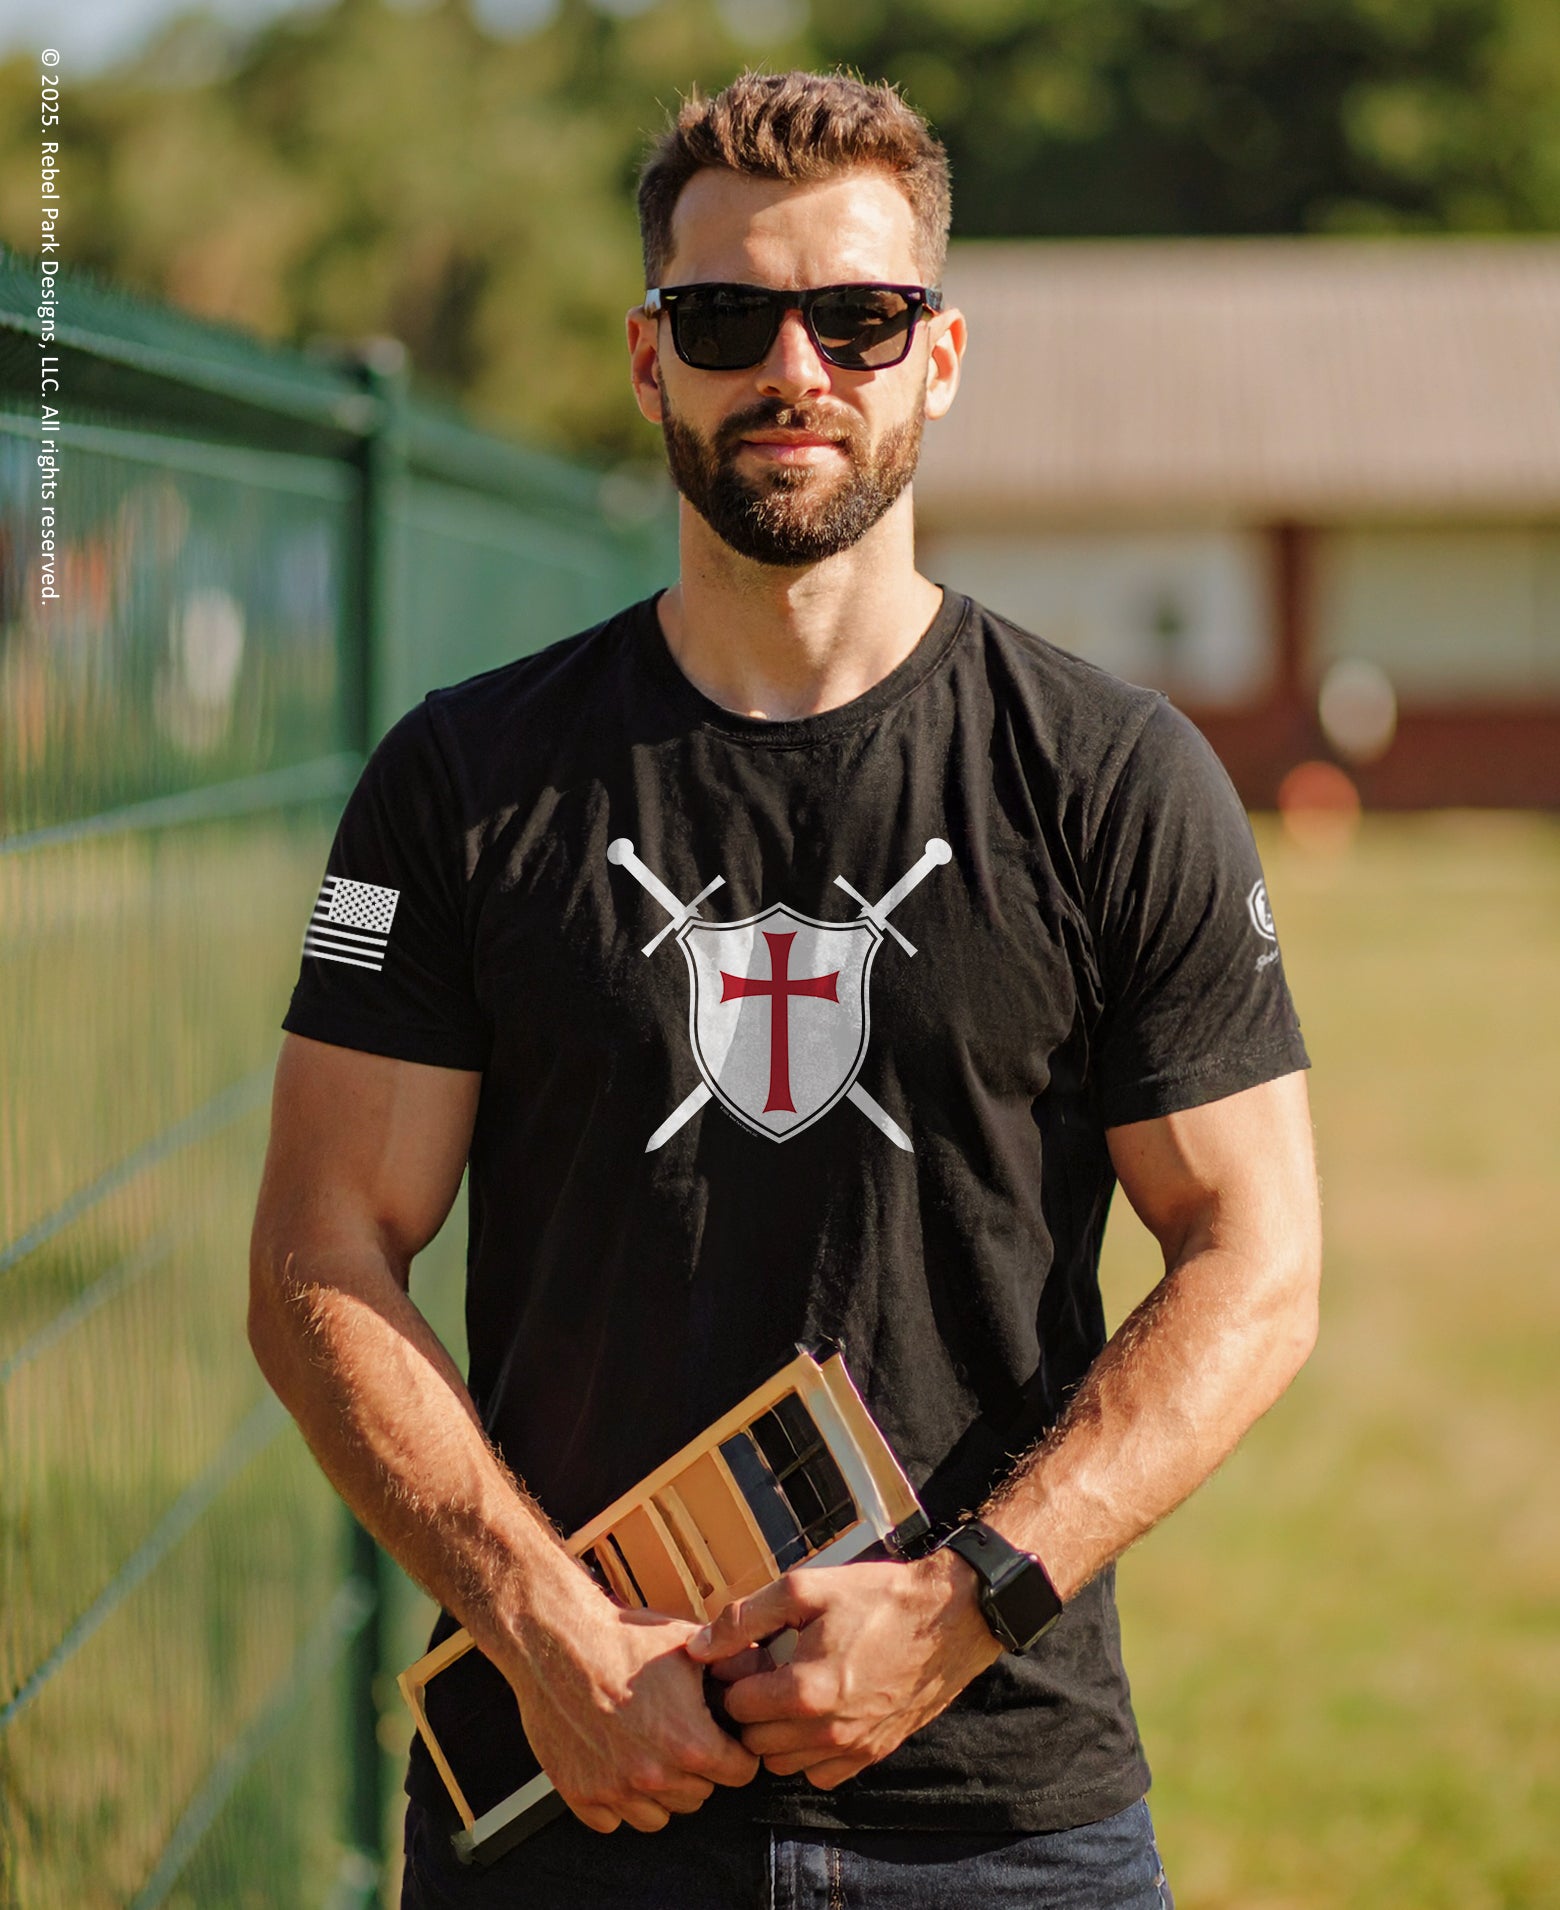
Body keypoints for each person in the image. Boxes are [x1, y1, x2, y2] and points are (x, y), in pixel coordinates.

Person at [249, 69, 1320, 1910]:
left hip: (1000, 1813)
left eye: (859, 315)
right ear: (652, 358)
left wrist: (965, 1601)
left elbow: (1257, 1253)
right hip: (584, 1793)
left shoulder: (1108, 775)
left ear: (943, 352)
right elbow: (318, 1255)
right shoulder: (464, 780)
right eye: (730, 316)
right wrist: (548, 1633)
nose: (797, 369)